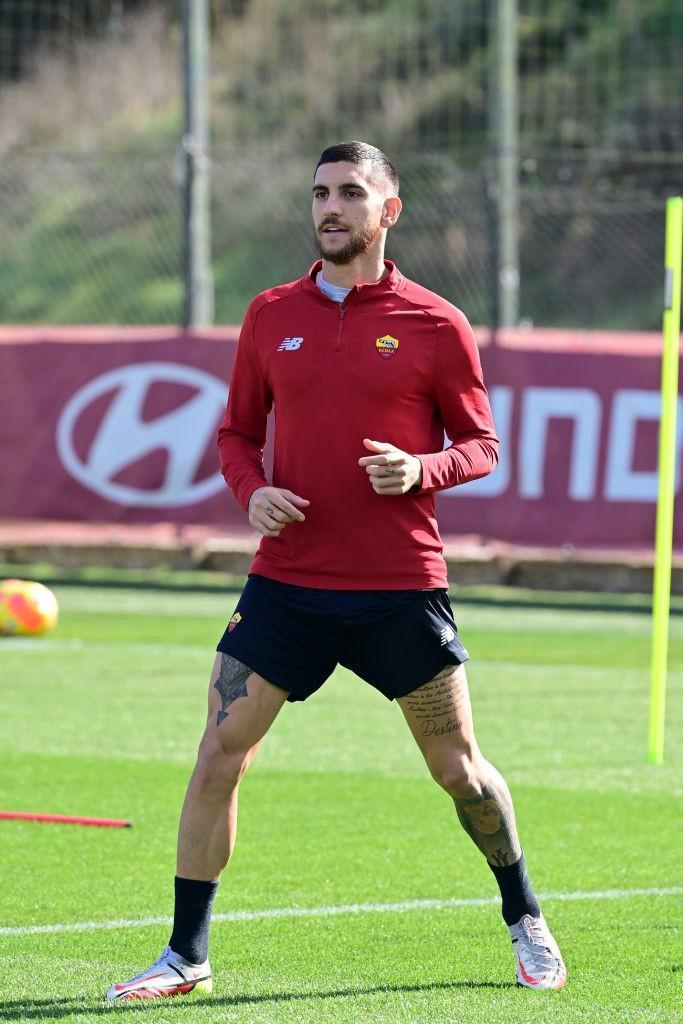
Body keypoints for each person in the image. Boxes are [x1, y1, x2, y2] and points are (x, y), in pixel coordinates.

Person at [106, 140, 566, 1001]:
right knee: (217, 756)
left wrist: (419, 470)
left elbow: (483, 445)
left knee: (458, 771)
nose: (330, 207)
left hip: (398, 586)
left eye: (351, 193)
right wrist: (252, 493)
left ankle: (524, 916)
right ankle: (185, 955)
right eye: (320, 193)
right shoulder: (268, 312)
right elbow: (236, 434)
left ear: (387, 211)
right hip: (286, 585)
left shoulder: (436, 322)